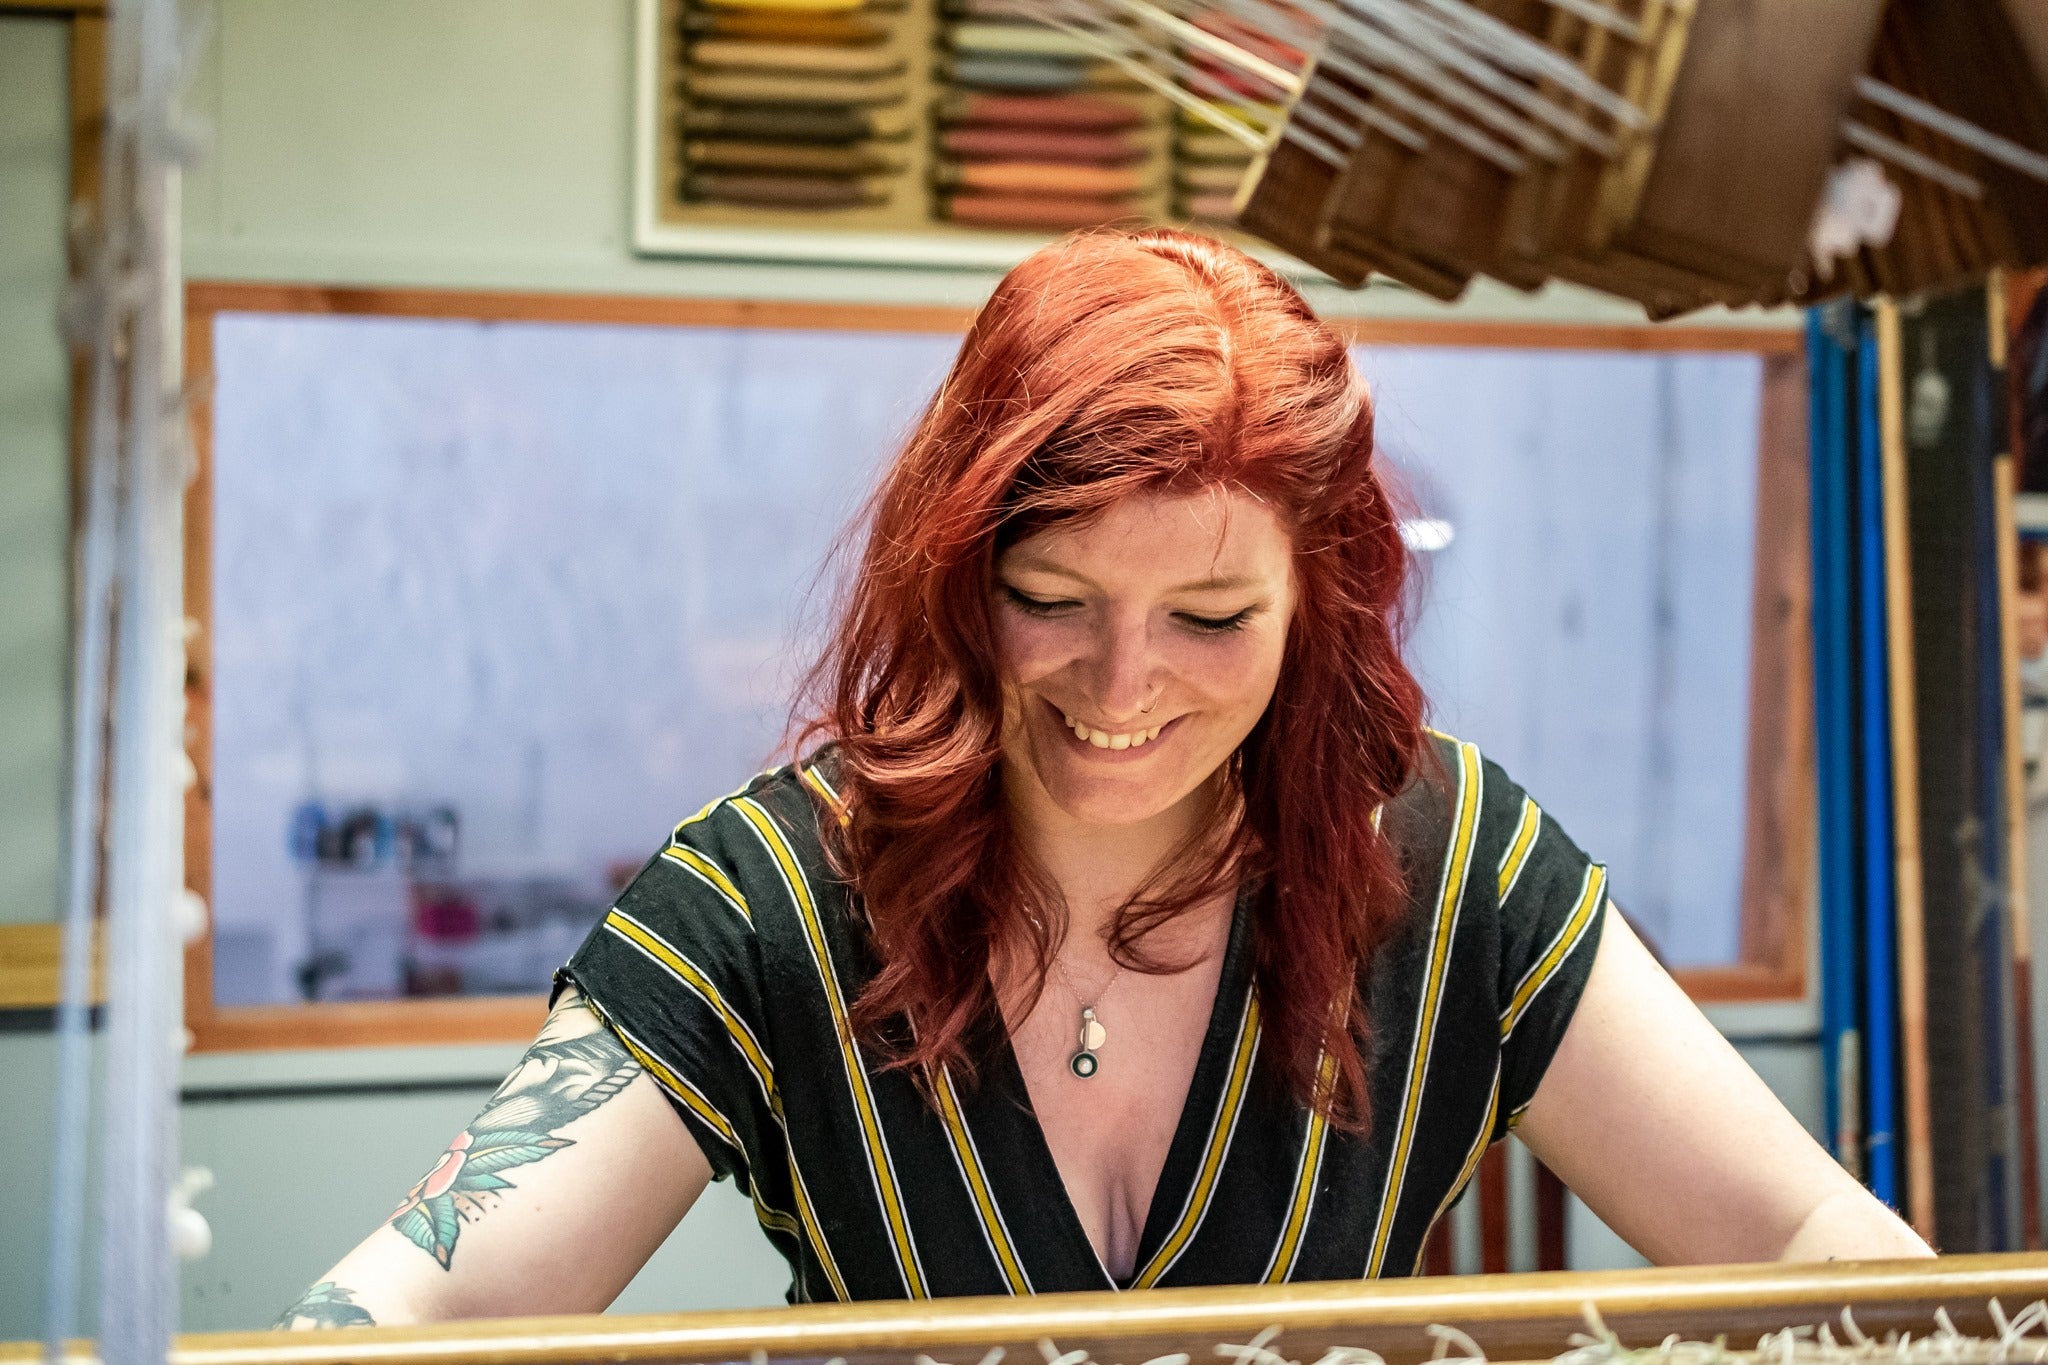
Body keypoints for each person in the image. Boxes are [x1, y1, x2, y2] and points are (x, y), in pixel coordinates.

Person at [274, 229, 1930, 1329]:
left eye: (1211, 618)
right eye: (1052, 600)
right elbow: (422, 1313)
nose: (1121, 689)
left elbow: (1815, 1252)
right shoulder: (781, 889)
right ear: (953, 568)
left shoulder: (1449, 857)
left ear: (1321, 605)